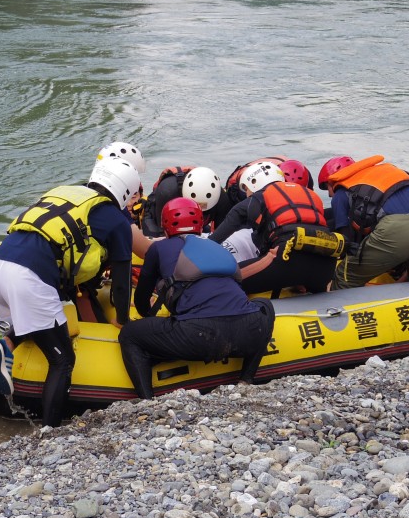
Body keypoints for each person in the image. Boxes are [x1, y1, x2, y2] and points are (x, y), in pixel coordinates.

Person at [0, 158, 138, 427]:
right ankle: (49, 431)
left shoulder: (68, 192)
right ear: (125, 190)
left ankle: (6, 343)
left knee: (36, 323)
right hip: (28, 277)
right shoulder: (115, 220)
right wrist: (122, 319)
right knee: (63, 360)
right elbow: (123, 282)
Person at [119, 197, 275, 399]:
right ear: (200, 224)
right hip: (250, 330)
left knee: (130, 334)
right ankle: (246, 379)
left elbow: (141, 300)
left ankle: (147, 401)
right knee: (264, 305)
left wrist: (149, 316)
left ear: (164, 227)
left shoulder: (157, 249)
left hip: (199, 336)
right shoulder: (217, 247)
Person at [209, 161, 342, 296]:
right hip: (326, 267)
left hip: (287, 261)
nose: (247, 194)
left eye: (246, 189)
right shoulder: (309, 194)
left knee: (222, 281)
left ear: (254, 185)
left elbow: (213, 242)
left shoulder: (254, 200)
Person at [320, 155, 409, 290]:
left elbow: (346, 240)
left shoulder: (341, 192)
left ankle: (338, 309)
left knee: (345, 275)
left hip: (399, 231)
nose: (329, 194)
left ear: (332, 180)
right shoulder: (383, 173)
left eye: (327, 187)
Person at [139, 166, 229, 237]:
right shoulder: (168, 191)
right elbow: (164, 230)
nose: (201, 208)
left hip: (198, 223)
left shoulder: (221, 198)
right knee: (156, 237)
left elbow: (221, 235)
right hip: (158, 215)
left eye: (203, 208)